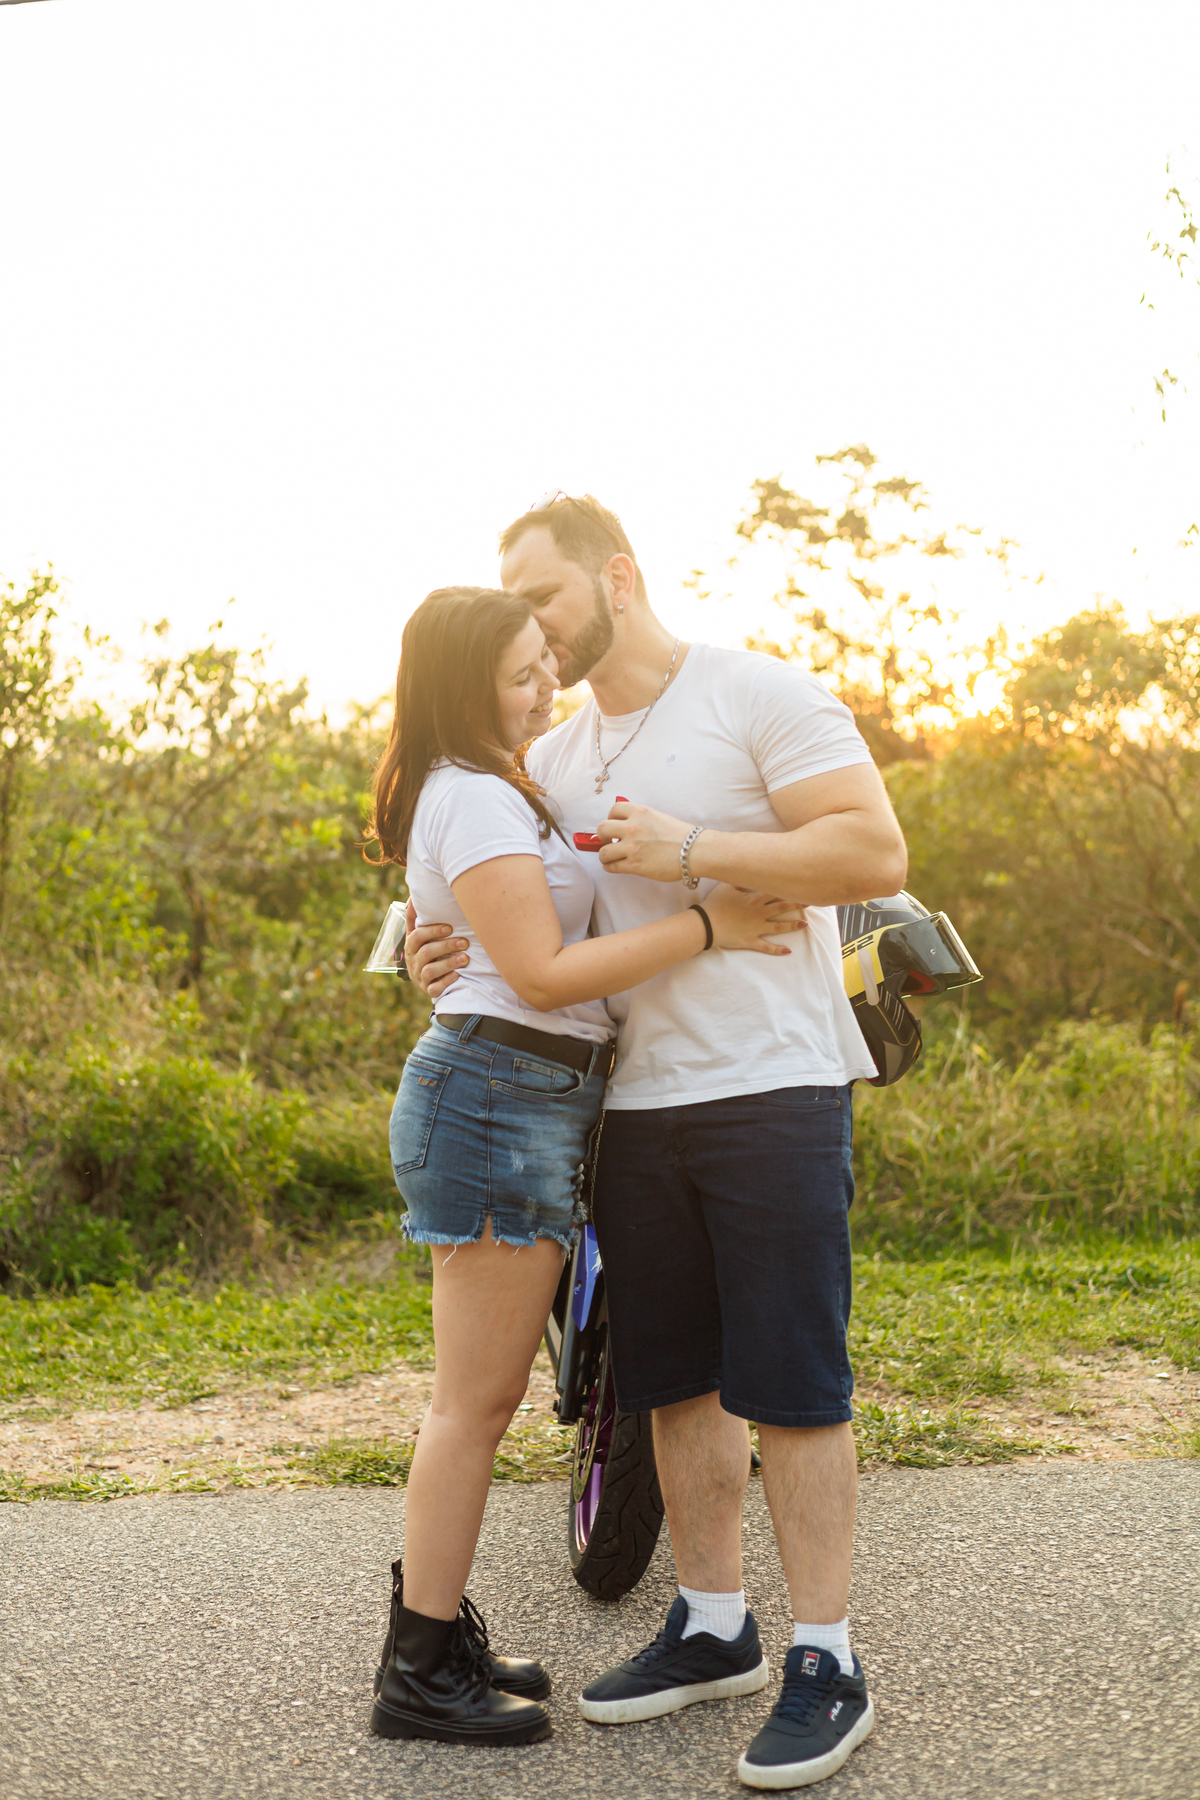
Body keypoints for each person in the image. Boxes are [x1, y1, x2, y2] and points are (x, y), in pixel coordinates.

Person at [406, 496, 908, 1790]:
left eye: (543, 593)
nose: (529, 621)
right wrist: (426, 949)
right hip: (630, 1107)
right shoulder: (552, 755)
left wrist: (692, 850)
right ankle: (711, 1622)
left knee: (794, 1380)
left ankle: (826, 1657)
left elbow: (870, 848)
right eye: (508, 598)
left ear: (617, 576)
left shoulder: (756, 696)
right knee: (670, 1380)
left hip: (774, 1090)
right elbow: (513, 910)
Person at [367, 583, 803, 1750]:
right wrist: (712, 925)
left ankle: (438, 1627)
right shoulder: (471, 793)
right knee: (475, 1405)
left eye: (540, 664)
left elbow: (483, 932)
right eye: (519, 672)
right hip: (500, 1097)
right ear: (466, 684)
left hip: (528, 1095)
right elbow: (549, 974)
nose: (542, 685)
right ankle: (417, 1670)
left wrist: (423, 941)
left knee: (482, 1399)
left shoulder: (491, 786)